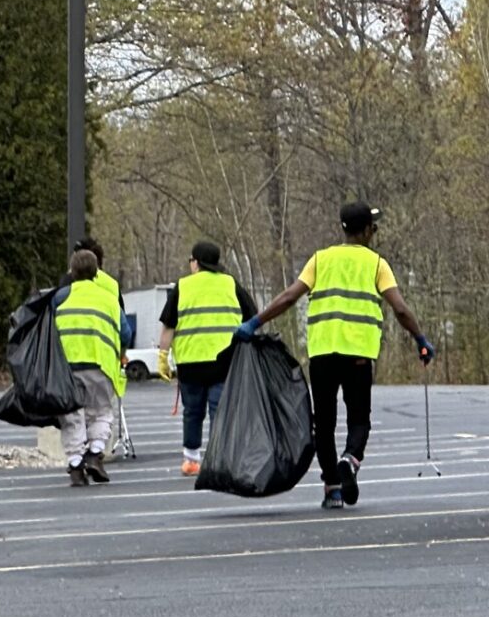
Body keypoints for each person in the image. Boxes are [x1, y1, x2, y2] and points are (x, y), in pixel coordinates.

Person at [241, 201, 434, 509]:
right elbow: (399, 308)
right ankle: (350, 460)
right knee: (360, 419)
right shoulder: (376, 264)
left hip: (322, 354)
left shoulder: (320, 259)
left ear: (343, 228)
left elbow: (290, 296)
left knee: (325, 424)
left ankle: (332, 489)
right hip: (358, 354)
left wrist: (255, 322)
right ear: (369, 230)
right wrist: (420, 338)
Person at [156, 239, 256, 475]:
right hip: (224, 361)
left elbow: (169, 326)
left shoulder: (183, 286)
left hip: (191, 364)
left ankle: (191, 460)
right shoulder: (231, 284)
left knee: (193, 412)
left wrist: (162, 356)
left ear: (196, 263)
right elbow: (252, 316)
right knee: (219, 410)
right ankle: (220, 459)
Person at [51, 241, 125, 486]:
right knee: (102, 411)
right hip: (101, 363)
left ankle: (75, 465)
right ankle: (95, 453)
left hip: (68, 367)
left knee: (72, 415)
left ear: (72, 272)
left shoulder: (61, 297)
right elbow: (125, 332)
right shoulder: (109, 299)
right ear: (96, 272)